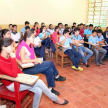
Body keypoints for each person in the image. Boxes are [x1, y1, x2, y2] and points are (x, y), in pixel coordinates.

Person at [0, 38, 68, 108]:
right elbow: (14, 74)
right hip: (12, 85)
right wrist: (13, 58)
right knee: (39, 82)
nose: (13, 48)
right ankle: (55, 99)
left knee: (38, 91)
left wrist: (26, 78)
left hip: (19, 80)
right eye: (11, 46)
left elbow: (17, 70)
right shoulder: (3, 60)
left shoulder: (8, 56)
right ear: (3, 47)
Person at [16, 31, 66, 95]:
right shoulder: (23, 47)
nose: (34, 39)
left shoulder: (30, 45)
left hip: (32, 65)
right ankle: (56, 76)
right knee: (50, 63)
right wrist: (34, 60)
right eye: (33, 37)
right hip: (26, 69)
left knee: (49, 70)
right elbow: (23, 60)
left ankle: (50, 89)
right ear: (27, 38)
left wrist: (36, 60)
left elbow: (33, 56)